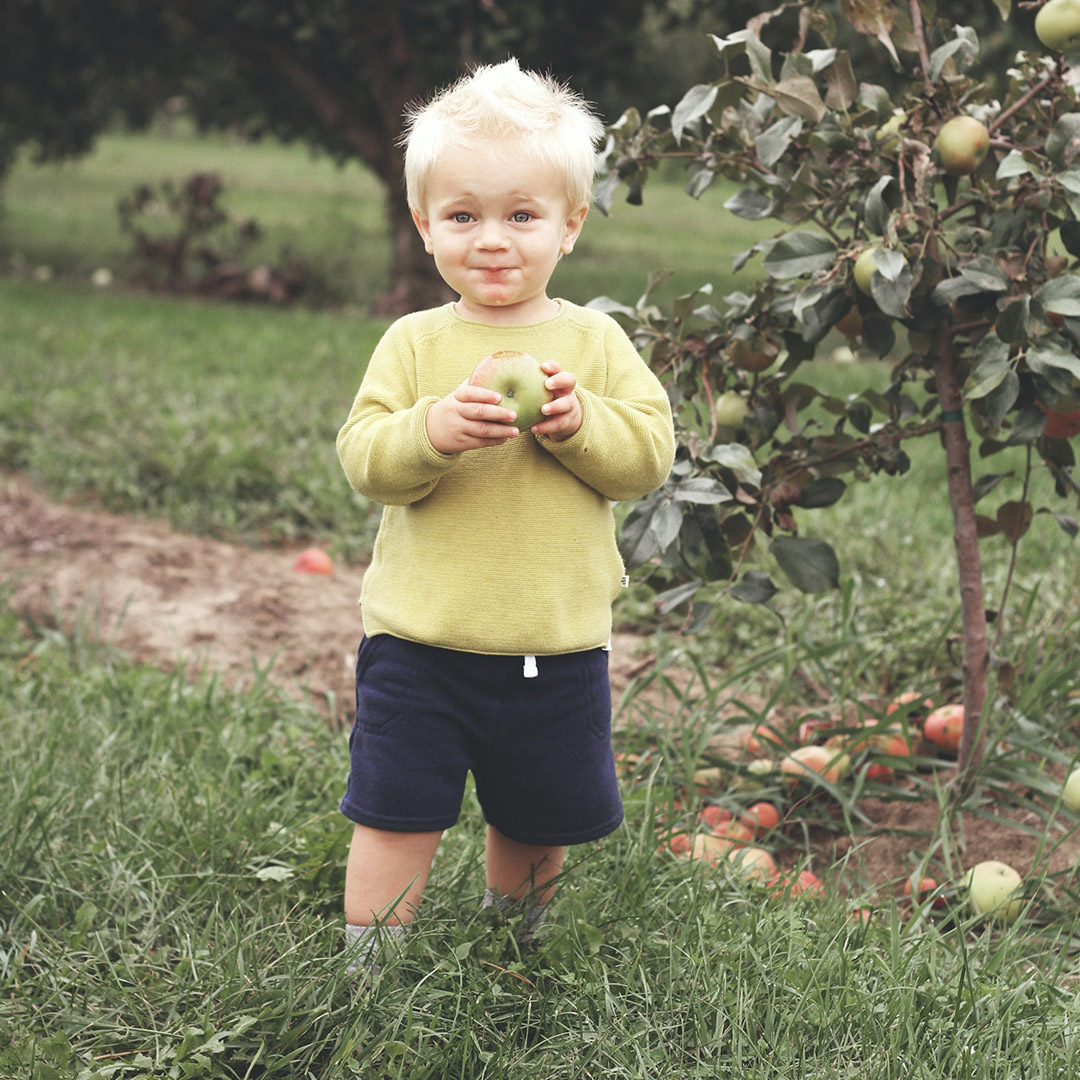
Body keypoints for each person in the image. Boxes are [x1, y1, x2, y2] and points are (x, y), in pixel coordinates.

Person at [336, 57, 675, 973]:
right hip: (420, 642)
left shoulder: (594, 344)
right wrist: (435, 430)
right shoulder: (416, 343)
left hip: (554, 645)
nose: (493, 239)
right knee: (395, 810)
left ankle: (512, 945)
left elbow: (648, 454)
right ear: (424, 226)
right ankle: (367, 969)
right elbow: (365, 456)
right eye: (463, 216)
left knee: (538, 814)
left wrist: (578, 423)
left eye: (522, 215)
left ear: (569, 226)